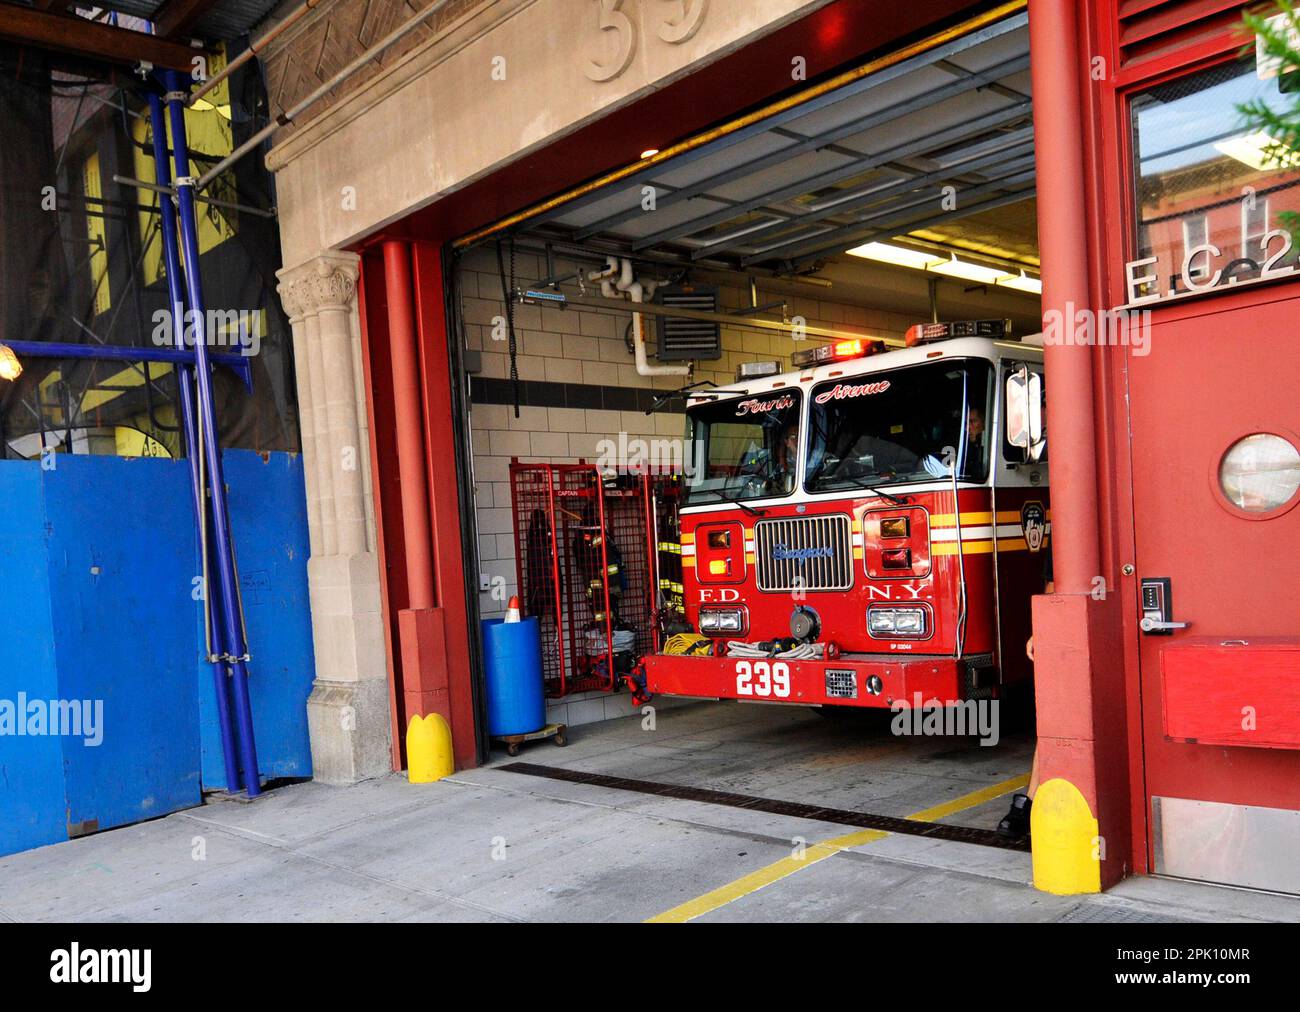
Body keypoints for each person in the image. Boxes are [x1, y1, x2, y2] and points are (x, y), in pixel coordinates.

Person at [997, 543, 1052, 839]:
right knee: (1056, 723)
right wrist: (1042, 629)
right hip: (1076, 625)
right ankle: (1031, 802)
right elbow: (1055, 581)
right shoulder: (1063, 533)